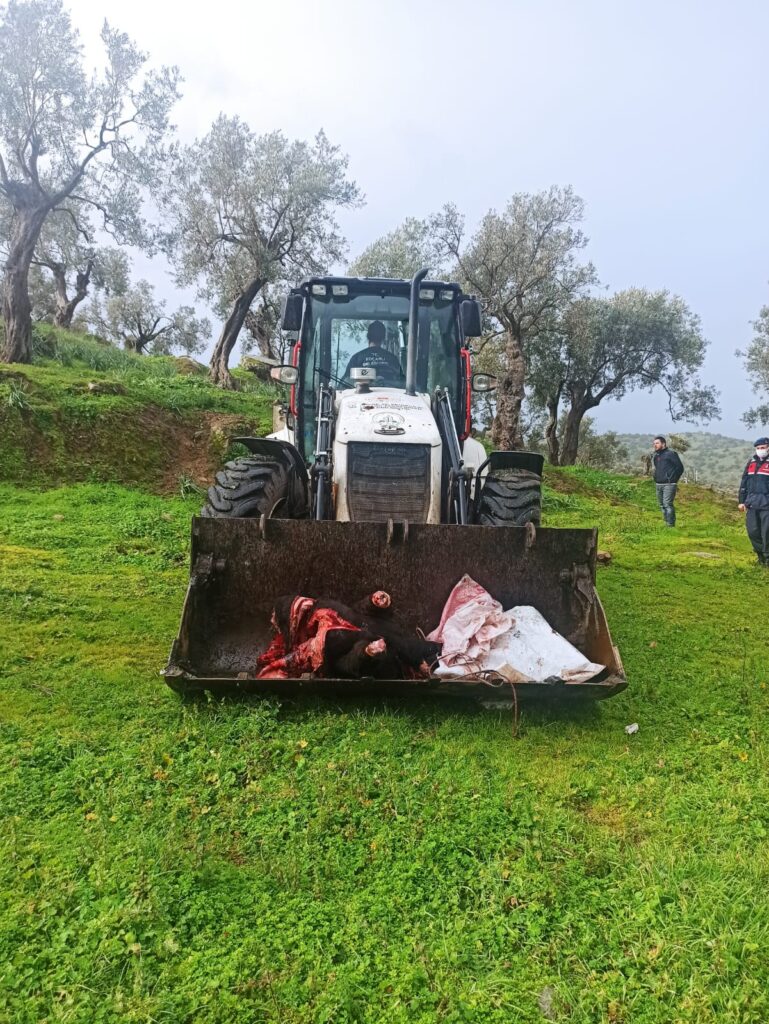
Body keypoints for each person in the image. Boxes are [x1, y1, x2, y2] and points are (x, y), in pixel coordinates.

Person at [738, 436, 769, 566]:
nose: (760, 450)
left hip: (767, 504)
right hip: (751, 503)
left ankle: (767, 559)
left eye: (763, 448)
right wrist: (741, 501)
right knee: (753, 532)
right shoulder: (751, 463)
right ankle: (760, 557)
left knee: (766, 533)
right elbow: (744, 482)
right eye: (758, 448)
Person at [652, 435, 684, 526]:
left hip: (669, 484)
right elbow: (657, 468)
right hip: (658, 484)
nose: (655, 445)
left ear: (663, 444)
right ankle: (666, 523)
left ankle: (670, 525)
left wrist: (673, 479)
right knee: (662, 505)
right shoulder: (656, 456)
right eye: (654, 443)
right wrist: (655, 477)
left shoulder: (671, 454)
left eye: (657, 443)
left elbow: (680, 468)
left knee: (667, 504)